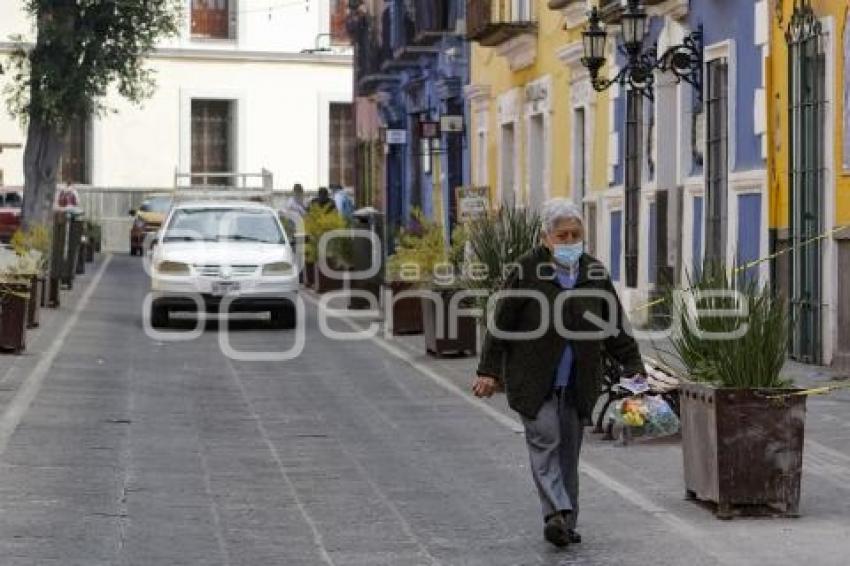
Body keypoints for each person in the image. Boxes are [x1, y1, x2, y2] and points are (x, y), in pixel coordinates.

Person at [472, 198, 645, 549]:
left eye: (575, 235)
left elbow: (615, 328)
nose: (569, 242)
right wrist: (488, 370)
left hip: (579, 382)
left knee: (569, 453)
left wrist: (634, 369)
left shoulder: (593, 274)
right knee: (545, 440)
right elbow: (501, 324)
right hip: (532, 380)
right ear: (545, 238)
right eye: (561, 236)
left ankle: (566, 521)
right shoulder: (526, 270)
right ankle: (555, 512)